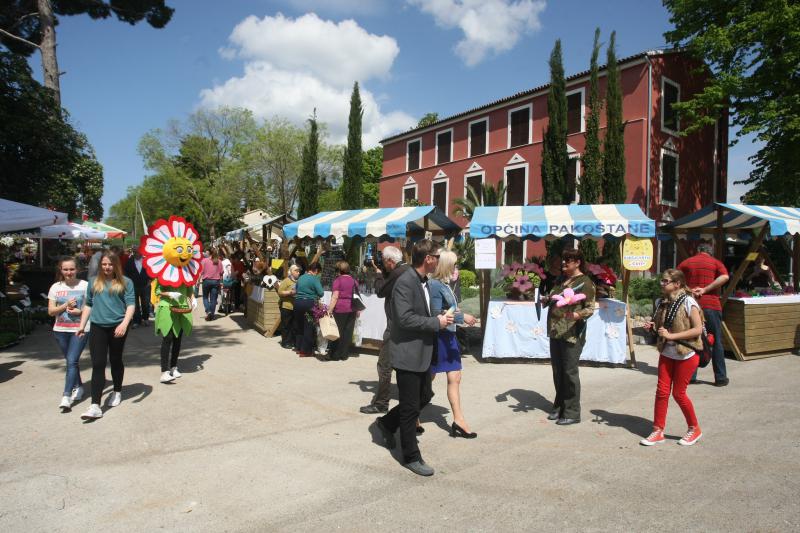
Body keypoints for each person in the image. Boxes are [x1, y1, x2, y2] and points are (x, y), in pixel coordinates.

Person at [373, 240, 453, 477]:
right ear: (428, 258)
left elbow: (422, 312)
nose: (439, 261)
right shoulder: (405, 282)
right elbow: (404, 318)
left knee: (424, 395)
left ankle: (387, 423)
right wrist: (434, 323)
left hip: (423, 351)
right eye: (438, 256)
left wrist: (442, 317)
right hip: (408, 352)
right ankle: (411, 456)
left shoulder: (424, 282)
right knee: (410, 408)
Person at [640, 268, 704, 446]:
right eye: (662, 281)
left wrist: (672, 336)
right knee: (661, 392)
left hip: (687, 353)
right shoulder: (663, 302)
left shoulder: (688, 301)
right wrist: (652, 326)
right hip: (667, 353)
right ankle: (657, 430)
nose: (662, 284)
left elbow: (698, 329)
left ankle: (694, 428)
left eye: (665, 281)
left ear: (677, 284)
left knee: (679, 394)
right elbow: (662, 327)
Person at [76, 252, 135, 420]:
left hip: (118, 327)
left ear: (116, 265)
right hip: (97, 327)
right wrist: (81, 326)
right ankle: (95, 405)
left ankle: (117, 391)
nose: (107, 267)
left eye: (110, 264)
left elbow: (131, 305)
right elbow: (88, 304)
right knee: (98, 363)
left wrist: (124, 324)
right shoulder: (94, 282)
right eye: (104, 264)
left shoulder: (126, 282)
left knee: (115, 360)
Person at [428, 250, 478, 437]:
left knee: (455, 377)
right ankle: (412, 415)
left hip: (448, 337)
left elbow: (446, 308)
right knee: (428, 379)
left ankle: (459, 419)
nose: (457, 268)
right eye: (454, 264)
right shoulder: (435, 284)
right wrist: (461, 316)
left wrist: (459, 313)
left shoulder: (443, 284)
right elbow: (435, 313)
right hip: (439, 337)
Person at [545, 248, 595, 425]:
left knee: (569, 372)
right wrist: (546, 299)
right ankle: (559, 406)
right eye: (563, 260)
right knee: (558, 371)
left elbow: (590, 308)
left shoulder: (585, 282)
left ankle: (572, 412)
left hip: (572, 333)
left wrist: (576, 315)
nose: (564, 263)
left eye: (568, 260)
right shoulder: (561, 280)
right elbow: (554, 296)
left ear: (578, 262)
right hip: (556, 330)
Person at [360, 246, 408, 414]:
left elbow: (381, 291)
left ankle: (381, 403)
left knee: (384, 365)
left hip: (395, 326)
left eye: (385, 263)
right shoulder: (408, 269)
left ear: (390, 261)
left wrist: (379, 274)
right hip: (407, 326)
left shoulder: (397, 272)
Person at [677, 242, 730, 386]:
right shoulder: (715, 262)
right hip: (711, 305)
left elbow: (675, 279)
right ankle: (720, 378)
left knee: (694, 339)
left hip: (691, 306)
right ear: (710, 252)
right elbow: (725, 277)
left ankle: (691, 376)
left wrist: (689, 290)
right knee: (716, 341)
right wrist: (706, 289)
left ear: (697, 250)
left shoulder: (687, 262)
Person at [47, 257, 89, 411]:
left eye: (72, 269)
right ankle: (78, 386)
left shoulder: (85, 285)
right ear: (61, 270)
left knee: (71, 361)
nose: (69, 272)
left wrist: (80, 311)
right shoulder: (55, 287)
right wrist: (65, 305)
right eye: (66, 269)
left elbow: (93, 308)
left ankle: (66, 396)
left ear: (77, 269)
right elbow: (51, 311)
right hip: (60, 330)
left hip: (80, 329)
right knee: (72, 361)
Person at [327, 260, 358, 361]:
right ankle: (344, 355)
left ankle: (335, 355)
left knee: (337, 332)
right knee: (348, 332)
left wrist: (329, 309)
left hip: (340, 308)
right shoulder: (354, 281)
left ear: (339, 270)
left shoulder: (338, 280)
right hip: (352, 308)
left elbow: (335, 296)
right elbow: (357, 296)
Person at [293, 262, 323, 357]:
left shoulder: (301, 277)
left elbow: (296, 290)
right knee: (308, 326)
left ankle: (298, 347)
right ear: (316, 270)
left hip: (297, 303)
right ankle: (305, 351)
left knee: (300, 325)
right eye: (318, 272)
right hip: (309, 304)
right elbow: (321, 293)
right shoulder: (314, 279)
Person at [124, 250, 151, 328]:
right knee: (134, 304)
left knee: (145, 303)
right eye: (135, 252)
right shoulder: (129, 261)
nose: (137, 254)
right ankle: (136, 321)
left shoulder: (146, 261)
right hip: (133, 286)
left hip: (145, 285)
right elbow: (125, 272)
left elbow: (152, 271)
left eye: (138, 252)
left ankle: (145, 318)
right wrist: (128, 283)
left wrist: (150, 280)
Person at [277, 265, 300, 349]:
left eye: (298, 271)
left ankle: (292, 341)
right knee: (286, 325)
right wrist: (290, 292)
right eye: (296, 271)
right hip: (286, 306)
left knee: (294, 325)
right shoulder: (286, 281)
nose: (298, 272)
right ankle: (285, 342)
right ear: (291, 272)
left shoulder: (299, 281)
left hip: (296, 306)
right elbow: (280, 292)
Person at [200, 249, 223, 321]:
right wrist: (221, 282)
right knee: (213, 299)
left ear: (209, 253)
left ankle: (208, 311)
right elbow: (221, 273)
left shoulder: (204, 260)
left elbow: (201, 272)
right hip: (216, 281)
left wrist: (197, 281)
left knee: (205, 297)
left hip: (206, 281)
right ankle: (212, 315)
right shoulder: (219, 261)